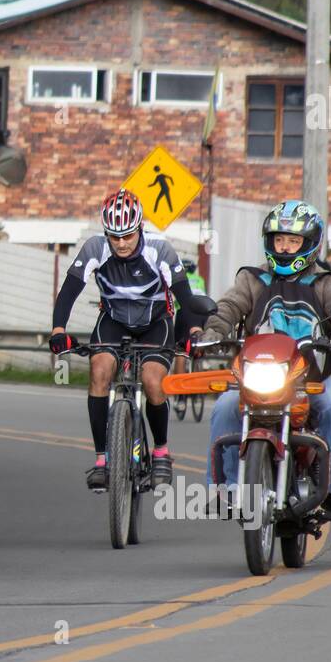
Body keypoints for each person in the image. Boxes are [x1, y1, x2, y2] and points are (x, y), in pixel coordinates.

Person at [198, 199, 331, 523]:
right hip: (256, 377)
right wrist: (213, 330)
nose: (285, 248)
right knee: (225, 406)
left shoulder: (324, 282)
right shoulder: (253, 279)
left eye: (293, 241)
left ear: (310, 244)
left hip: (309, 379)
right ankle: (225, 489)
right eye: (279, 240)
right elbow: (229, 306)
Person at [49, 189, 201, 492]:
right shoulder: (94, 248)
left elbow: (186, 298)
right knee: (100, 370)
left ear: (140, 228)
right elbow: (69, 291)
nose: (120, 243)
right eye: (114, 237)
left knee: (153, 380)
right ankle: (103, 459)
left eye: (127, 236)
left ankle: (160, 451)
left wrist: (192, 333)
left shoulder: (161, 250)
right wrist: (57, 330)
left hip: (155, 323)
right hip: (114, 321)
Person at [172, 259, 207, 377]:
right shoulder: (200, 279)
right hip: (202, 312)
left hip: (184, 313)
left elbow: (175, 301)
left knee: (180, 350)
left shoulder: (178, 279)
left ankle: (179, 388)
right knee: (199, 345)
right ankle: (196, 385)